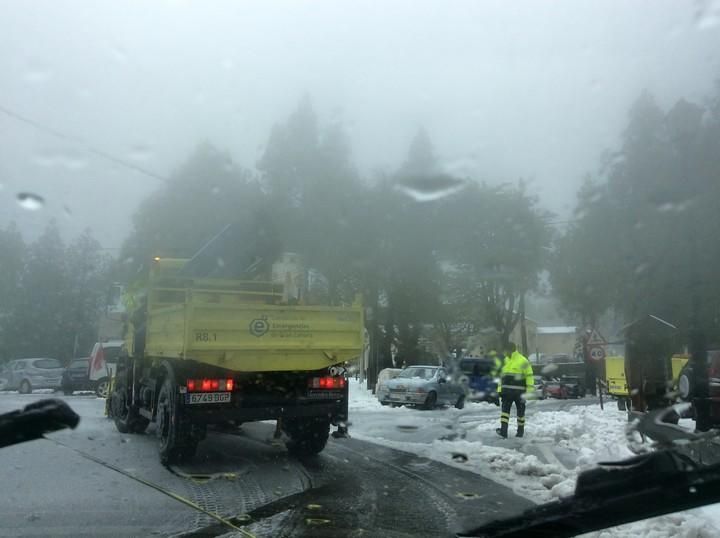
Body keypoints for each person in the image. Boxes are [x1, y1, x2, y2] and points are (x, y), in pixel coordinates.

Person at [496, 342, 534, 438]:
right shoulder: (505, 361)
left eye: (506, 350)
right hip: (507, 393)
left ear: (511, 349)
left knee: (520, 413)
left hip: (519, 393)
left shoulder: (523, 361)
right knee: (505, 413)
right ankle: (503, 432)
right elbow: (501, 377)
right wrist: (499, 390)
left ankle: (520, 432)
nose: (505, 352)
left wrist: (529, 391)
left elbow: (529, 376)